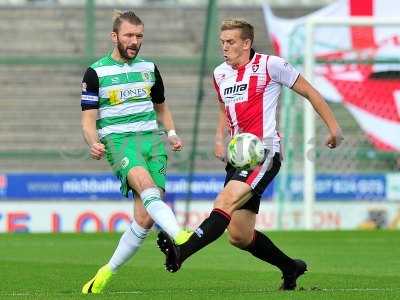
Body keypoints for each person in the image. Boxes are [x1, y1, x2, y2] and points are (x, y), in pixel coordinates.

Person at [157, 19, 344, 290]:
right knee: (239, 236)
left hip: (263, 151)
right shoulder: (220, 73)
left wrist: (334, 128)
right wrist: (219, 137)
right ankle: (291, 268)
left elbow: (310, 91)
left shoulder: (271, 65)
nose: (225, 47)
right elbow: (224, 108)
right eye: (222, 42)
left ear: (246, 43)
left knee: (225, 199)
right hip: (238, 157)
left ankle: (181, 252)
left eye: (230, 42)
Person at [80, 10, 191, 294]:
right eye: (129, 35)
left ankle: (106, 271)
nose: (134, 41)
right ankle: (178, 235)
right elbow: (88, 120)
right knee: (144, 184)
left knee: (143, 219)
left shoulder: (149, 69)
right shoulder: (96, 72)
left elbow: (161, 107)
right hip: (119, 142)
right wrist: (93, 141)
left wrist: (172, 134)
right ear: (114, 36)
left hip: (152, 142)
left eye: (139, 36)